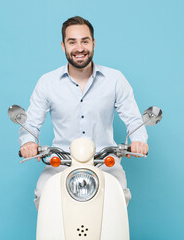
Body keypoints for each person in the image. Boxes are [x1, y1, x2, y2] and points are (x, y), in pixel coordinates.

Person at [19, 16, 149, 209]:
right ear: (63, 46)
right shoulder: (47, 82)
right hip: (61, 163)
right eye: (72, 42)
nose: (79, 48)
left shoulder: (115, 79)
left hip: (105, 163)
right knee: (43, 196)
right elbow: (31, 123)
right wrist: (28, 143)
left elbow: (133, 118)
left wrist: (139, 141)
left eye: (85, 41)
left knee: (119, 199)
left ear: (93, 43)